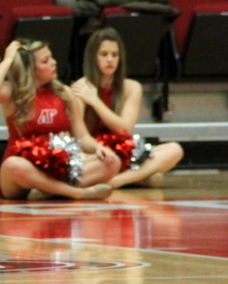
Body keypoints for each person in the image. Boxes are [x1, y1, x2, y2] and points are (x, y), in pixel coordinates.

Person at [0, 38, 119, 200]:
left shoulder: (64, 93)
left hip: (58, 169)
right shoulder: (14, 94)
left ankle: (47, 190)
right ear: (31, 69)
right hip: (23, 172)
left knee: (112, 162)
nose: (54, 62)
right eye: (45, 61)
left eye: (52, 58)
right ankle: (76, 193)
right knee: (13, 165)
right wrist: (8, 59)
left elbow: (82, 136)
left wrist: (98, 148)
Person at [72, 28, 184, 188]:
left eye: (114, 55)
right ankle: (141, 177)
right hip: (94, 153)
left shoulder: (132, 87)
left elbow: (124, 130)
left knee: (175, 150)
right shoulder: (80, 88)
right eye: (104, 54)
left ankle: (115, 182)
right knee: (86, 162)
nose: (110, 60)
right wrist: (99, 149)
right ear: (92, 57)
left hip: (122, 151)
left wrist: (96, 102)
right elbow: (81, 138)